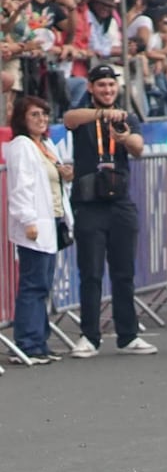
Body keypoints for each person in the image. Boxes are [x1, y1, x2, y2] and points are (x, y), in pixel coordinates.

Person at [63, 65, 156, 358]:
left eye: (111, 86)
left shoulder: (125, 117)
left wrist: (124, 137)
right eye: (101, 85)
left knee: (123, 271)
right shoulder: (83, 113)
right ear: (91, 88)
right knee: (90, 272)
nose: (107, 90)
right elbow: (68, 119)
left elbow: (139, 148)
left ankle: (128, 335)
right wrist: (102, 115)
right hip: (89, 203)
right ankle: (89, 336)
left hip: (119, 201)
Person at [5, 95, 74, 364]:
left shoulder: (45, 144)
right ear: (22, 118)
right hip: (35, 223)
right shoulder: (22, 146)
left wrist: (65, 175)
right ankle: (28, 343)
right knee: (33, 284)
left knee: (43, 284)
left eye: (44, 115)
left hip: (52, 219)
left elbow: (55, 179)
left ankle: (39, 341)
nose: (41, 120)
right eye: (35, 115)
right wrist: (27, 220)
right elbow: (20, 186)